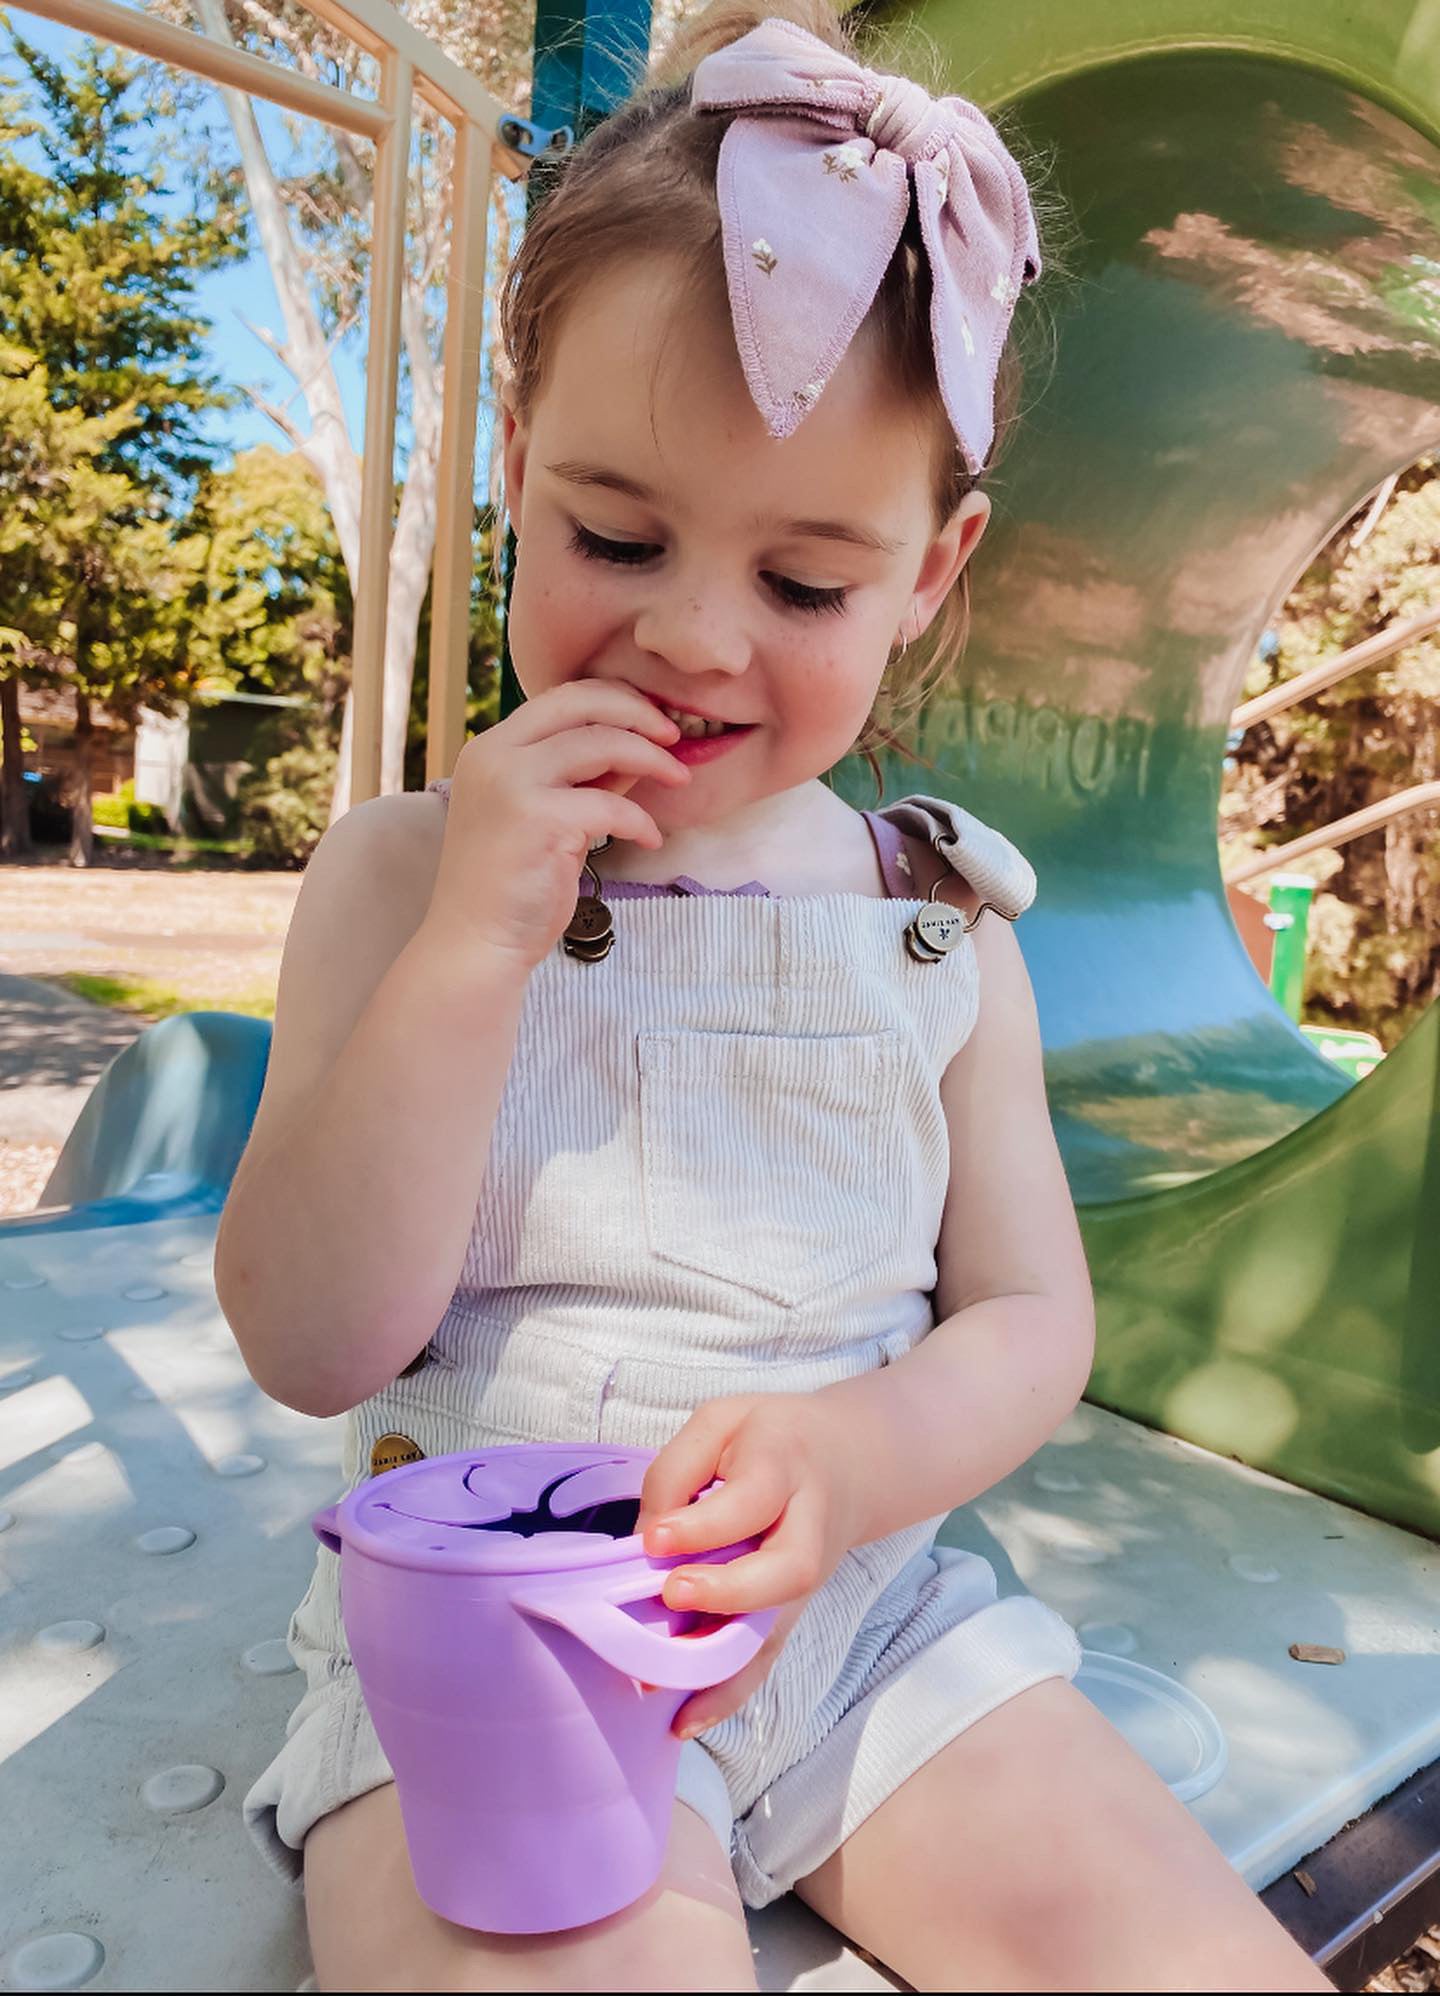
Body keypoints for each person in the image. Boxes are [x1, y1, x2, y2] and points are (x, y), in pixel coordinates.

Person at [219, 5, 1333, 1988]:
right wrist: (479, 942)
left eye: (808, 581)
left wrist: (861, 1461)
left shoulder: (934, 914)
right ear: (513, 465)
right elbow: (313, 1334)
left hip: (868, 1627)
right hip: (501, 1649)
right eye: (617, 532)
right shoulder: (402, 877)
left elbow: (1027, 1314)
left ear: (932, 570)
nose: (694, 632)